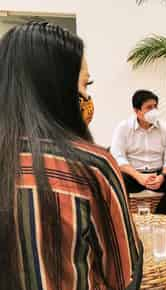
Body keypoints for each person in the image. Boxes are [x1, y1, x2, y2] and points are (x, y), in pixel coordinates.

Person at [0, 22, 142, 290]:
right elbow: (123, 277)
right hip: (129, 174)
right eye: (85, 85)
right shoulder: (92, 166)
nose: (87, 97)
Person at [111, 90, 166, 215]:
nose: (154, 111)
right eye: (149, 107)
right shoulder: (123, 128)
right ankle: (125, 217)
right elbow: (117, 157)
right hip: (134, 175)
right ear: (136, 111)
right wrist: (138, 176)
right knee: (116, 181)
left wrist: (162, 176)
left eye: (155, 107)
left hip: (159, 174)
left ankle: (160, 216)